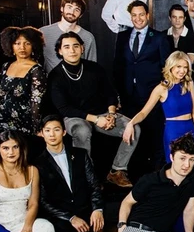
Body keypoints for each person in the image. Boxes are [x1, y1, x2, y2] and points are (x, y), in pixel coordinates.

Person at [47, 32, 137, 188]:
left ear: (82, 48)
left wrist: (111, 114)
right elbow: (64, 109)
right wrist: (96, 119)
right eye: (66, 47)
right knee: (82, 131)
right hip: (74, 117)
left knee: (133, 128)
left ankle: (117, 171)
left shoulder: (94, 68)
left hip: (102, 114)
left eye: (76, 46)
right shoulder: (55, 75)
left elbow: (110, 94)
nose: (72, 50)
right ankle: (87, 177)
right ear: (60, 51)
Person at [123, 51, 194, 207]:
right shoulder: (162, 88)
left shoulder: (189, 84)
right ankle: (174, 208)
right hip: (173, 131)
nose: (182, 71)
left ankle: (191, 209)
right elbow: (144, 112)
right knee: (176, 171)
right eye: (178, 67)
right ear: (171, 67)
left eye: (185, 67)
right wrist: (130, 123)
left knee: (192, 170)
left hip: (191, 129)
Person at [33, 114, 105, 232]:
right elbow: (43, 200)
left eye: (56, 130)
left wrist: (97, 209)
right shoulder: (38, 164)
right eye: (47, 130)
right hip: (61, 216)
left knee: (100, 231)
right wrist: (70, 218)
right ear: (41, 134)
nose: (52, 134)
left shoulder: (80, 154)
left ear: (64, 132)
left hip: (85, 210)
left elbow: (94, 185)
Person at [113, 0, 168, 117]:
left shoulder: (159, 37)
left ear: (147, 15)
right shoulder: (122, 37)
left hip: (151, 95)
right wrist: (117, 93)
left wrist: (162, 89)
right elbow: (117, 66)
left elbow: (166, 67)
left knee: (151, 126)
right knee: (129, 126)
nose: (138, 18)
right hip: (127, 95)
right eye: (134, 15)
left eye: (141, 14)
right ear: (131, 17)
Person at [40, 0, 97, 72]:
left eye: (77, 10)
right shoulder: (43, 32)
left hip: (78, 78)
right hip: (51, 78)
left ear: (80, 15)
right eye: (69, 7)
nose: (72, 12)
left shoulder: (88, 37)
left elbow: (92, 66)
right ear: (62, 8)